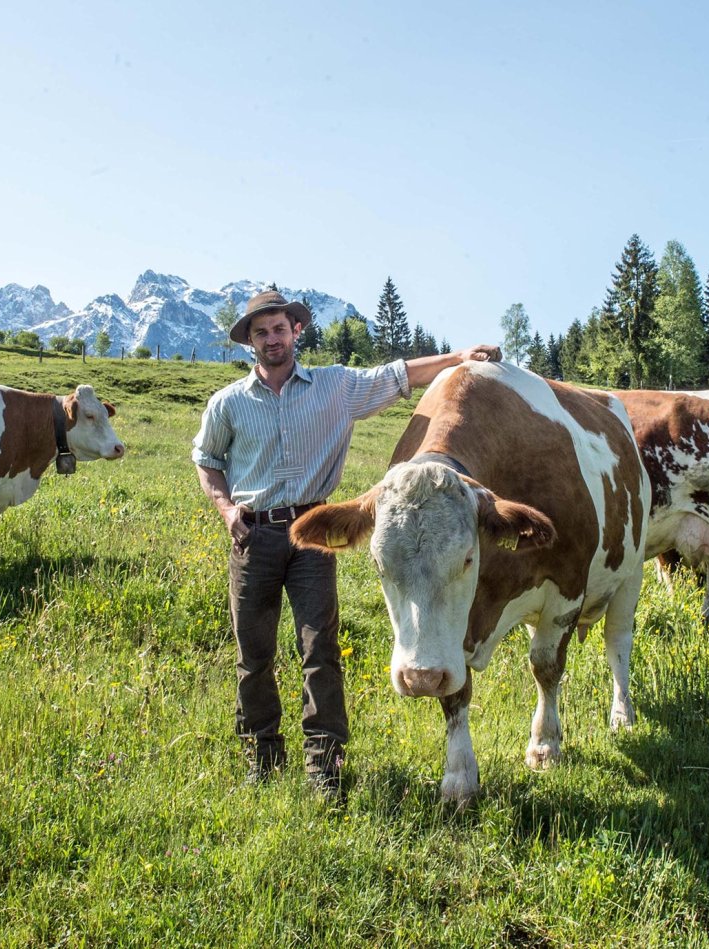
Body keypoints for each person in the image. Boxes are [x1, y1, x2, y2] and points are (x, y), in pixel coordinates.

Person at [193, 289, 500, 798]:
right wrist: (227, 510)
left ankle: (326, 764)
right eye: (261, 332)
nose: (272, 339)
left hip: (315, 534)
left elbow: (397, 377)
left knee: (320, 649)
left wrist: (460, 357)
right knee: (254, 652)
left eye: (279, 328)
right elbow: (207, 460)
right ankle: (261, 755)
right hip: (254, 534)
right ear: (250, 341)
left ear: (296, 330)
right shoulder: (227, 403)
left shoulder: (334, 387)